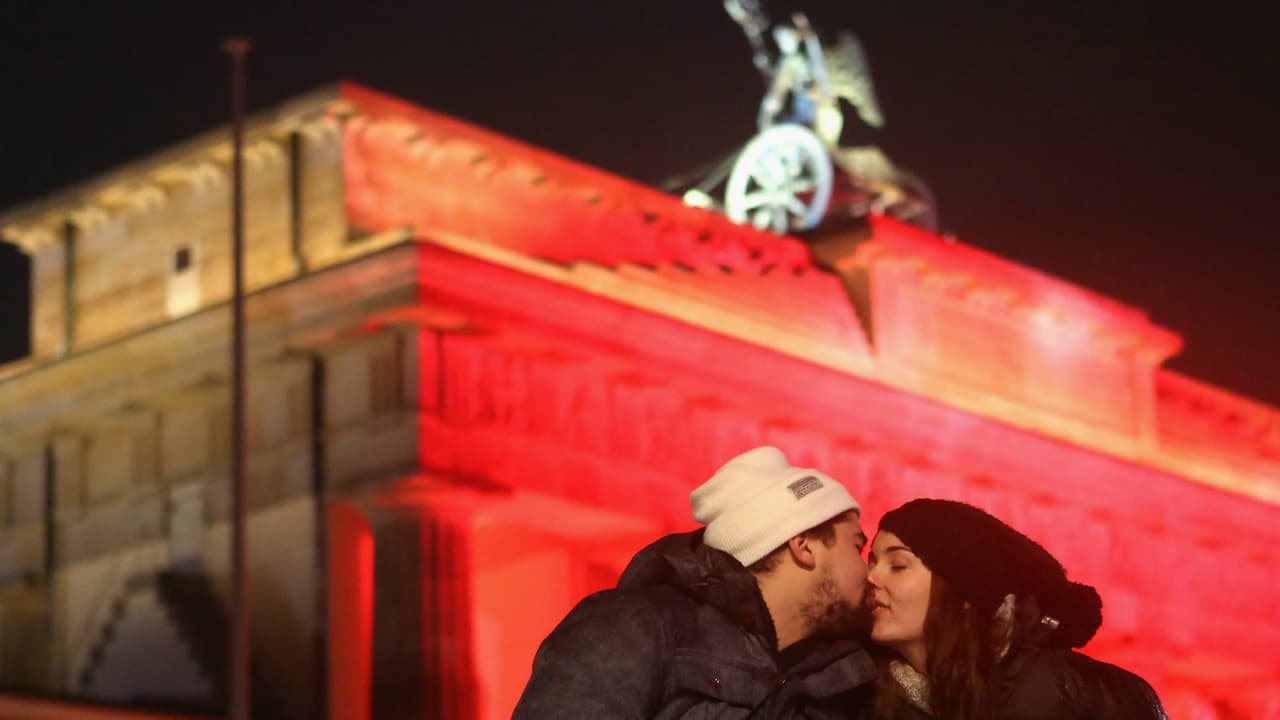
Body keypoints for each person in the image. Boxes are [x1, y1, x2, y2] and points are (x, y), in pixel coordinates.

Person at [513, 446, 876, 718]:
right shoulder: (637, 626)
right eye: (858, 548)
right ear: (804, 545)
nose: (870, 574)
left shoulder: (840, 680)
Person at [863, 498, 1168, 719]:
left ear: (965, 590)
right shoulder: (881, 700)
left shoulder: (1072, 696)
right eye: (871, 562)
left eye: (898, 565)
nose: (871, 577)